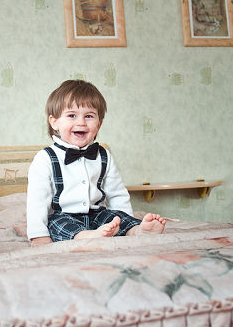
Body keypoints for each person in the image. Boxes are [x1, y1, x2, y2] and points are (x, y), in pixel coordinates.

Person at [27, 80, 166, 247]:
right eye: (72, 115)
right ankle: (86, 236)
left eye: (89, 116)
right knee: (56, 225)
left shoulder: (104, 155)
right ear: (54, 122)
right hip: (64, 215)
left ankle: (138, 231)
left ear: (99, 124)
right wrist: (38, 235)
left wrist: (123, 222)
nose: (81, 122)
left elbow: (117, 194)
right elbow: (37, 200)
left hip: (97, 215)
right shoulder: (45, 158)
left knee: (113, 217)